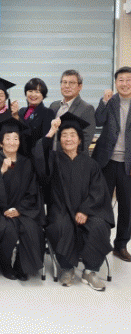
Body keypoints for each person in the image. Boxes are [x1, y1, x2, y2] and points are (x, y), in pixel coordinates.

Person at [33, 112, 114, 291]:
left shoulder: (91, 164)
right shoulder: (53, 159)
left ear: (79, 140)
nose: (68, 139)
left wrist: (85, 210)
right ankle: (67, 268)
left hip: (89, 211)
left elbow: (98, 191)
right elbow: (39, 157)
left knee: (99, 226)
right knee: (60, 225)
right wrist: (51, 132)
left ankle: (90, 271)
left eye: (72, 135)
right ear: (59, 139)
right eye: (64, 135)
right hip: (60, 209)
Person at [0, 117, 44, 281]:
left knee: (32, 227)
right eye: (8, 139)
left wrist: (19, 210)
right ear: (0, 143)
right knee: (8, 229)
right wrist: (1, 171)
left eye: (15, 138)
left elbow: (32, 191)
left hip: (22, 210)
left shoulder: (26, 163)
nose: (12, 142)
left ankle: (22, 266)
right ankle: (5, 265)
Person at [92, 66, 131, 262]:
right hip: (106, 161)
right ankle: (100, 241)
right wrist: (104, 101)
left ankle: (121, 245)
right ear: (115, 83)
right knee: (102, 205)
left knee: (127, 207)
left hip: (128, 164)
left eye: (128, 80)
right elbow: (98, 121)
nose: (125, 83)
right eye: (121, 80)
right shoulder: (111, 101)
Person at [49, 70, 96, 151]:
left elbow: (85, 141)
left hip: (71, 157)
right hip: (51, 156)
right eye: (64, 82)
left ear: (79, 86)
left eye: (71, 83)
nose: (67, 86)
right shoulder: (54, 106)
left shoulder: (87, 109)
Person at [11, 78, 55, 158]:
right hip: (18, 157)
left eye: (37, 92)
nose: (33, 95)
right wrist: (13, 116)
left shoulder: (48, 113)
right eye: (30, 91)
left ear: (43, 95)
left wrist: (17, 118)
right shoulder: (21, 111)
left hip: (35, 158)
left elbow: (45, 142)